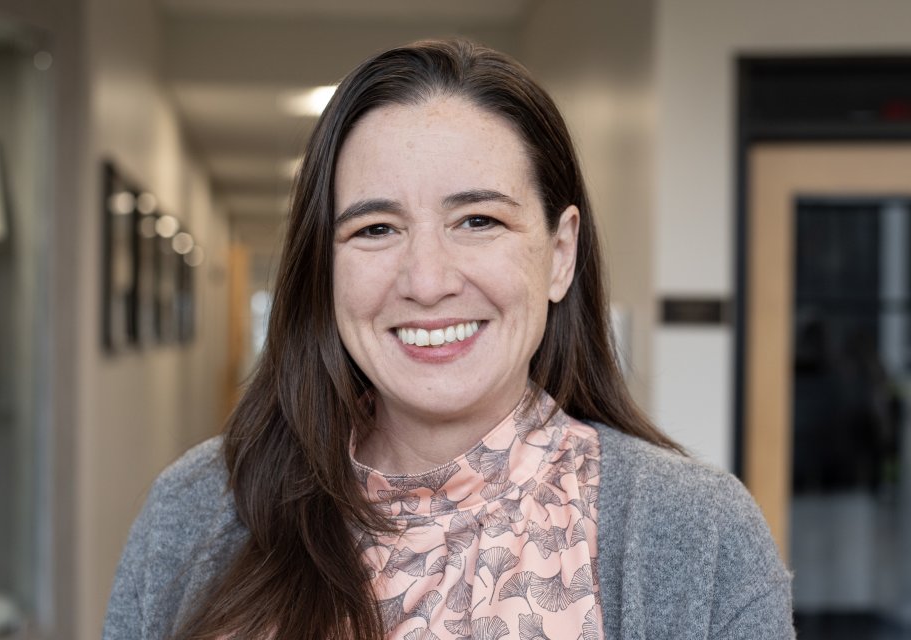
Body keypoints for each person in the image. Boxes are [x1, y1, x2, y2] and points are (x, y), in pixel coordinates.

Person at [103, 39, 794, 640]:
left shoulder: (697, 535)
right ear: (326, 267)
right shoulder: (196, 510)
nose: (427, 281)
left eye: (479, 221)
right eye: (376, 229)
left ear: (559, 253)